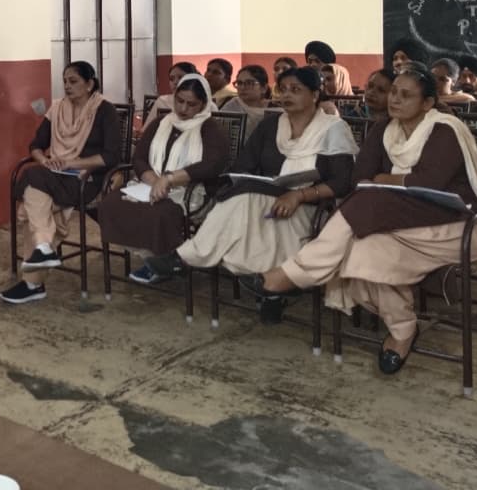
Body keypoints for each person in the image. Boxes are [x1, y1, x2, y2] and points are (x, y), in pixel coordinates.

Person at [246, 65, 477, 374]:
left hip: (456, 229)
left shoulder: (445, 130)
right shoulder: (384, 130)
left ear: (428, 103)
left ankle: (295, 273)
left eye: (406, 95)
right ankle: (404, 329)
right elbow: (360, 178)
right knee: (362, 251)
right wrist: (392, 182)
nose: (395, 99)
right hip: (397, 226)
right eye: (394, 92)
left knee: (369, 201)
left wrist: (385, 179)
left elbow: (428, 183)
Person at [144, 67, 357, 321]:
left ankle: (186, 257)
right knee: (243, 197)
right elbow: (243, 166)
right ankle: (271, 292)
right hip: (266, 202)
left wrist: (299, 195)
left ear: (314, 95)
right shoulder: (271, 125)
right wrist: (252, 183)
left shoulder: (333, 129)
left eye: (295, 90)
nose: (287, 95)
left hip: (312, 206)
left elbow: (342, 183)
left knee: (244, 201)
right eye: (283, 89)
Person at [2, 61, 122, 304]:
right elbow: (36, 145)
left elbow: (111, 157)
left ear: (89, 84)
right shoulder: (57, 109)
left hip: (89, 179)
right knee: (36, 186)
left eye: (73, 81)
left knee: (29, 200)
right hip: (55, 176)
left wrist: (71, 163)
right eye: (65, 81)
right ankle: (43, 252)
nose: (67, 86)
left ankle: (34, 280)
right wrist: (45, 161)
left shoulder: (105, 110)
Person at [97, 74, 229, 285]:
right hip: (149, 185)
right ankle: (157, 260)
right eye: (180, 101)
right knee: (111, 205)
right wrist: (153, 180)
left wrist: (169, 180)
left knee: (157, 213)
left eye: (191, 104)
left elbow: (212, 165)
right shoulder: (161, 122)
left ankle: (161, 260)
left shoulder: (210, 128)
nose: (183, 108)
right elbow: (139, 158)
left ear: (204, 104)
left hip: (190, 192)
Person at [222, 64, 273, 142]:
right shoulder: (233, 105)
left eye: (249, 83)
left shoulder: (275, 109)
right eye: (239, 83)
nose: (242, 87)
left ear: (264, 88)